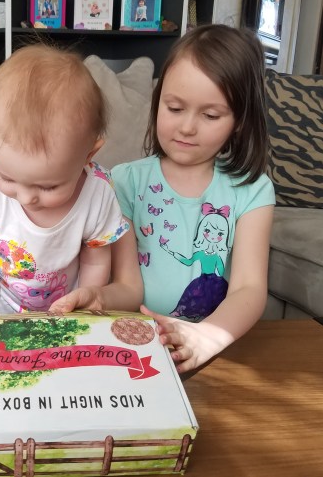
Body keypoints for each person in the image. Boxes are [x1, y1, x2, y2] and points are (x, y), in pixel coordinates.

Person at [51, 24, 275, 374]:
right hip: (135, 346)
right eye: (174, 108)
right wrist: (99, 297)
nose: (187, 127)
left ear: (239, 121)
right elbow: (127, 286)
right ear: (158, 103)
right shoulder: (124, 181)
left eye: (210, 115)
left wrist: (206, 337)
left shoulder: (253, 189)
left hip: (211, 348)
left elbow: (249, 288)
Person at [0, 44, 143, 315]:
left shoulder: (98, 192)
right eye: (6, 177)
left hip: (66, 311)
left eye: (47, 186)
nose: (26, 197)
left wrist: (82, 313)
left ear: (88, 155)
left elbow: (95, 263)